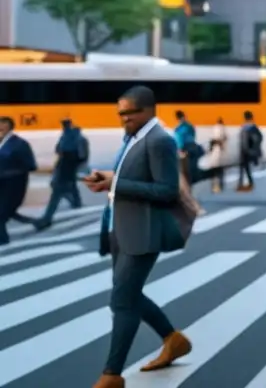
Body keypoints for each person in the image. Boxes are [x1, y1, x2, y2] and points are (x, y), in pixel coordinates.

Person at [83, 86, 192, 388]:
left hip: (144, 231)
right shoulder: (134, 137)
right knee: (127, 293)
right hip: (121, 226)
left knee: (122, 300)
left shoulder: (160, 141)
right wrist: (108, 179)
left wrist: (116, 183)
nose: (124, 119)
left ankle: (112, 374)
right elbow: (130, 180)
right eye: (120, 113)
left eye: (130, 113)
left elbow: (167, 190)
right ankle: (173, 339)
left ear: (149, 110)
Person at [34, 118, 87, 230]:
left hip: (64, 168)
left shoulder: (67, 138)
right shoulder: (76, 137)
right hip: (68, 168)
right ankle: (76, 202)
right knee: (68, 187)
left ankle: (47, 219)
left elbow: (59, 150)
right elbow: (81, 156)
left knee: (56, 194)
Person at [0, 116, 36, 246]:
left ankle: (3, 241)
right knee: (6, 212)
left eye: (2, 125)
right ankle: (36, 222)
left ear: (9, 127)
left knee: (2, 214)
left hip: (13, 185)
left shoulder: (20, 144)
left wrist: (9, 172)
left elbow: (31, 165)